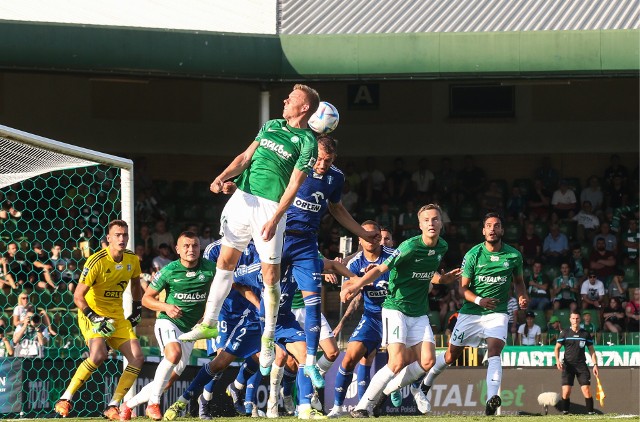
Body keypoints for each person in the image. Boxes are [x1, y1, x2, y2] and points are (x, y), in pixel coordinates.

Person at [179, 84, 320, 376]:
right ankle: (208, 323)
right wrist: (221, 177)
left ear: (304, 107)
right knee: (224, 262)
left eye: (291, 99)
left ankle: (268, 336)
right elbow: (245, 158)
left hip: (270, 208)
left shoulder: (307, 141)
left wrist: (277, 217)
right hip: (242, 199)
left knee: (270, 276)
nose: (285, 100)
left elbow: (294, 184)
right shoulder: (269, 126)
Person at [340, 204, 460, 418]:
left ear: (441, 223)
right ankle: (362, 406)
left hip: (419, 311)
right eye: (426, 220)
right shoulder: (409, 247)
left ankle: (386, 391)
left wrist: (443, 279)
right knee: (396, 362)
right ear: (420, 225)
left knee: (427, 362)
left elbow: (427, 271)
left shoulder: (442, 246)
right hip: (396, 309)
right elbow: (380, 268)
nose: (431, 223)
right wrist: (357, 285)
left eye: (435, 219)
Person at [420, 212, 528, 416]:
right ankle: (425, 385)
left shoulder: (513, 255)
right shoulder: (473, 255)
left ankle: (491, 400)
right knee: (451, 356)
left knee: (495, 350)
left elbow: (519, 281)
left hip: (497, 312)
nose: (493, 229)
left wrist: (522, 296)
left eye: (497, 226)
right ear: (483, 230)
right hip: (471, 312)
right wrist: (480, 300)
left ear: (502, 230)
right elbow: (463, 289)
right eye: (489, 225)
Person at [161, 240, 263, 421]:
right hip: (223, 312)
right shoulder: (215, 249)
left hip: (250, 310)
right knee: (221, 360)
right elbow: (210, 281)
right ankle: (203, 400)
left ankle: (238, 387)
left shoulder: (258, 246)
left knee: (262, 354)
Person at [120, 232, 215, 420]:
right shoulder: (170, 270)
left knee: (167, 381)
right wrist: (166, 307)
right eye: (186, 246)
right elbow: (146, 299)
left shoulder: (210, 269)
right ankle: (154, 403)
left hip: (190, 331)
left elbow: (227, 285)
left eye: (195, 245)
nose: (191, 249)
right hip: (168, 322)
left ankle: (127, 405)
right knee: (173, 354)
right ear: (177, 249)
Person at [54, 220, 143, 419]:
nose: (122, 239)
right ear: (109, 238)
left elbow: (136, 284)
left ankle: (113, 405)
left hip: (116, 315)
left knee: (137, 357)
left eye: (125, 235)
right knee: (98, 355)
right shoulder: (96, 261)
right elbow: (77, 296)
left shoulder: (132, 259)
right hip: (91, 312)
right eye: (117, 235)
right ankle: (65, 399)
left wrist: (137, 307)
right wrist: (94, 317)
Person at [327, 221, 394, 418]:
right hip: (372, 318)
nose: (371, 239)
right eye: (366, 235)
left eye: (375, 235)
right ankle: (338, 408)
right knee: (349, 358)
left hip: (396, 316)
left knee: (403, 360)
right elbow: (347, 285)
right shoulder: (355, 263)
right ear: (359, 239)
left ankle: (409, 389)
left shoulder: (391, 258)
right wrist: (345, 291)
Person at [554, 311, 599, 415]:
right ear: (570, 320)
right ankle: (565, 412)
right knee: (566, 392)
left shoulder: (585, 333)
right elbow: (557, 348)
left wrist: (595, 365)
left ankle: (591, 413)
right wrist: (557, 360)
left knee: (586, 390)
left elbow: (591, 350)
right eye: (573, 318)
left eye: (577, 318)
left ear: (580, 319)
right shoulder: (564, 333)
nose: (575, 320)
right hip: (568, 366)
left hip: (581, 366)